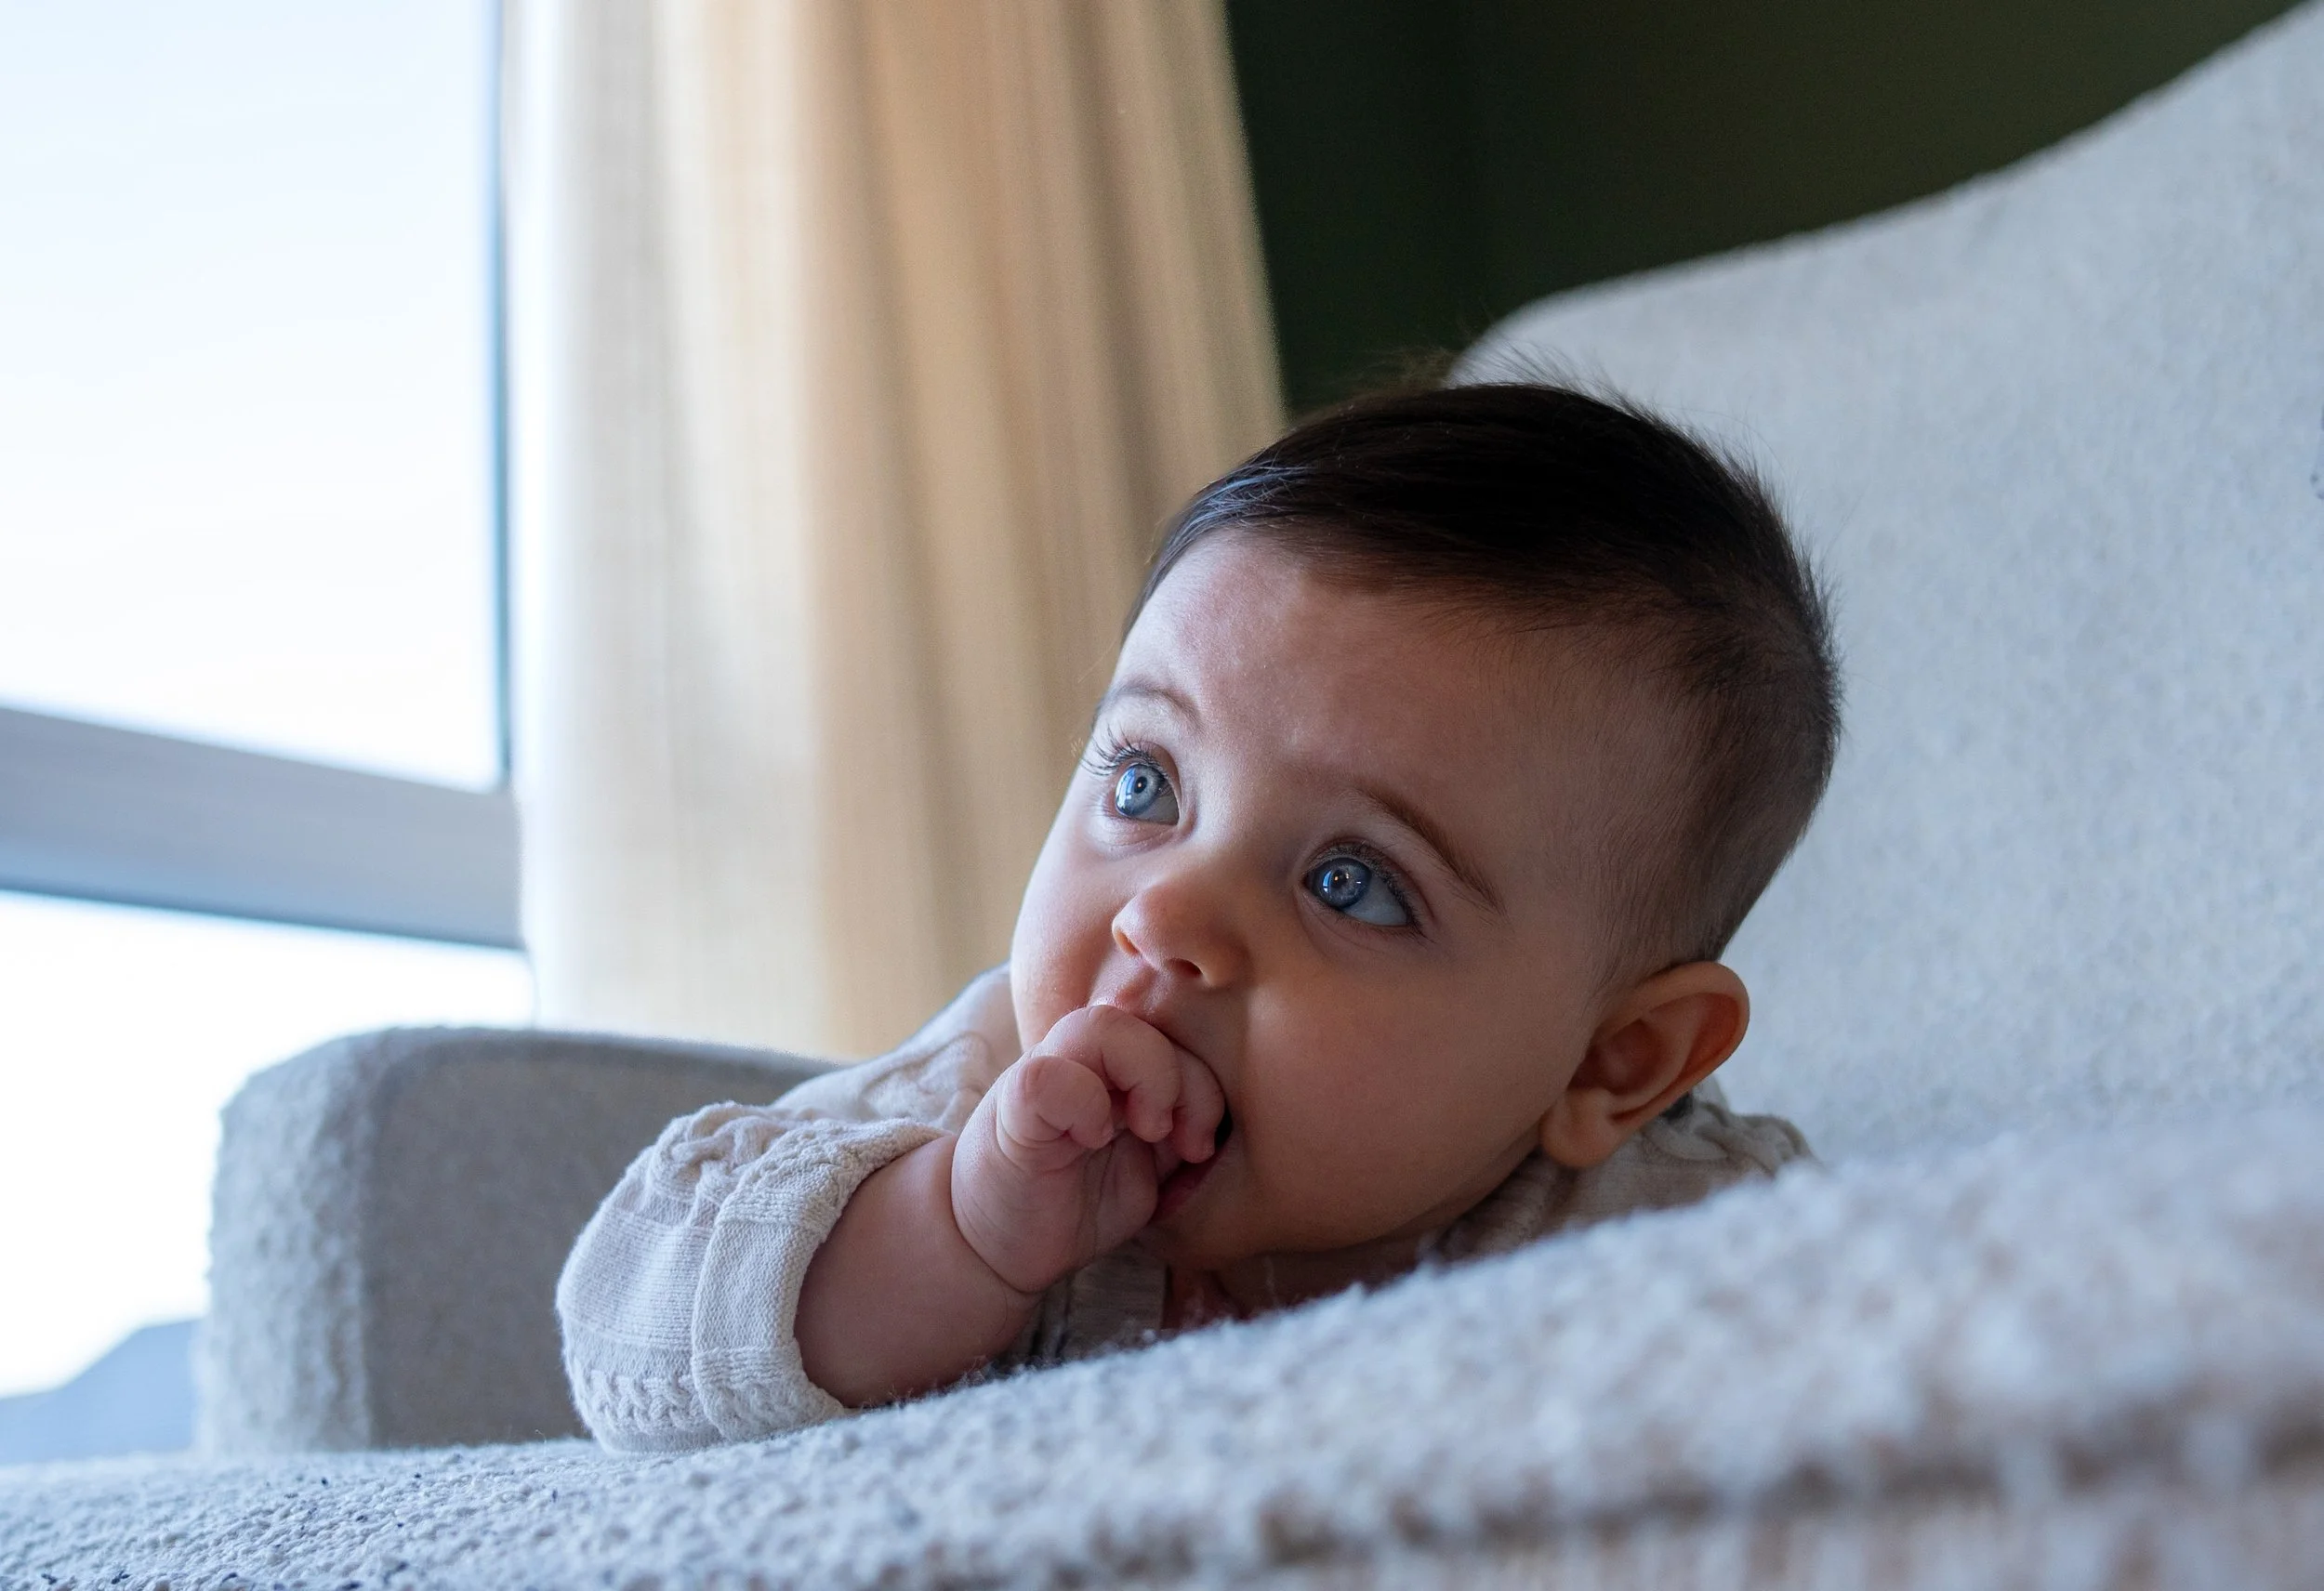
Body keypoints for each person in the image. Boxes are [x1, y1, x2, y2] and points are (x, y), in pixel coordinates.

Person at [556, 382, 1839, 1452]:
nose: (1165, 914)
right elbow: (629, 1332)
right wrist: (952, 1234)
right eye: (1145, 783)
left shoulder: (1684, 1239)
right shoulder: (987, 1091)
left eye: (1354, 882)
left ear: (1618, 1062)